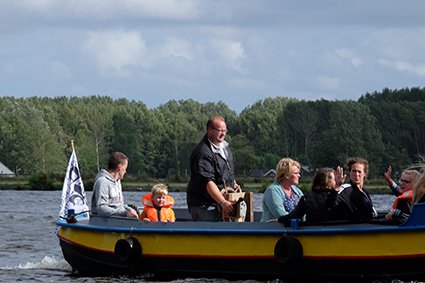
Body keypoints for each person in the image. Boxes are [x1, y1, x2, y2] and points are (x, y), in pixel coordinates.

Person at [186, 115, 239, 221]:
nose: (223, 133)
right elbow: (208, 182)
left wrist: (233, 184)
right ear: (210, 130)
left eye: (225, 130)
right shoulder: (202, 152)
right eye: (220, 130)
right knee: (209, 236)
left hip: (220, 204)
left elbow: (225, 172)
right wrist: (223, 202)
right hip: (204, 206)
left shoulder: (225, 148)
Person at [278, 166, 345, 225]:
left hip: (311, 233)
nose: (336, 180)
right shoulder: (336, 196)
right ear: (327, 181)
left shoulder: (306, 197)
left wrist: (280, 219)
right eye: (335, 179)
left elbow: (295, 215)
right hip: (334, 232)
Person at [91, 151, 138, 218]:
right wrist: (125, 213)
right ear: (119, 167)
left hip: (117, 220)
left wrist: (130, 209)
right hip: (103, 222)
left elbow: (119, 205)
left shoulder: (117, 181)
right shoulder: (102, 182)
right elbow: (101, 209)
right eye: (124, 169)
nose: (125, 171)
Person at [261, 157, 304, 222]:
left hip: (294, 228)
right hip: (274, 230)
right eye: (296, 173)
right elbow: (281, 215)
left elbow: (305, 211)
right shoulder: (272, 191)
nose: (299, 175)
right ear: (286, 175)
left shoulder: (297, 191)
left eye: (299, 173)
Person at [334, 157, 377, 222]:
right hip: (351, 227)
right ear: (349, 172)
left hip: (366, 225)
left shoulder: (364, 192)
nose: (356, 174)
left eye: (359, 172)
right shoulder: (345, 189)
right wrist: (336, 187)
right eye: (354, 171)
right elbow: (330, 204)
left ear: (365, 173)